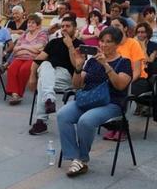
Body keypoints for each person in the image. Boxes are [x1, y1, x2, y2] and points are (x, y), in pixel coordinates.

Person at [57, 26, 133, 176]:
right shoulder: (92, 61)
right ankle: (74, 156)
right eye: (102, 41)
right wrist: (78, 68)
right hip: (88, 99)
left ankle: (82, 159)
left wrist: (106, 65)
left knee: (85, 120)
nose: (103, 45)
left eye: (108, 42)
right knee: (62, 115)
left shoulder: (124, 62)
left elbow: (120, 85)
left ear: (117, 44)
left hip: (111, 103)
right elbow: (76, 85)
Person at [29, 16, 83, 135]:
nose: (64, 29)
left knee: (41, 82)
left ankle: (41, 121)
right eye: (62, 26)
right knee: (45, 64)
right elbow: (38, 59)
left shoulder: (80, 45)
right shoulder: (53, 42)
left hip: (66, 76)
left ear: (75, 28)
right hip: (49, 72)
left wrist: (70, 46)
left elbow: (76, 66)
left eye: (68, 26)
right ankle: (49, 98)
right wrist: (32, 76)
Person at [6, 14, 48, 104]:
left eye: (33, 23)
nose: (30, 24)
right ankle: (14, 94)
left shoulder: (42, 35)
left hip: (33, 59)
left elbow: (39, 48)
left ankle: (19, 94)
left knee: (24, 70)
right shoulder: (24, 34)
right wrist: (30, 49)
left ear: (38, 25)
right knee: (11, 69)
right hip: (20, 57)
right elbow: (15, 49)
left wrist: (23, 47)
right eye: (29, 22)